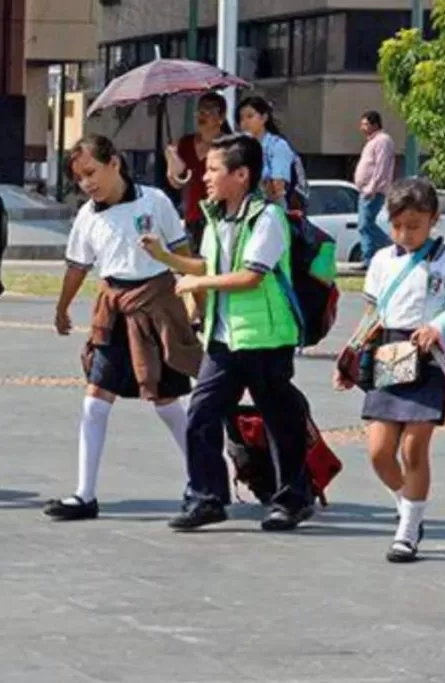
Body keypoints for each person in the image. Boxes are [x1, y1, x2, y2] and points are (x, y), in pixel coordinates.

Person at [141, 133, 314, 531]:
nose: (205, 176)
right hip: (223, 339)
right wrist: (167, 258)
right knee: (201, 414)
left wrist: (199, 286)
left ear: (241, 174)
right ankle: (207, 498)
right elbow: (209, 264)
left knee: (279, 421)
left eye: (214, 169)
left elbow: (252, 276)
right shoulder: (216, 217)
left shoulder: (267, 218)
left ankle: (292, 498)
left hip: (265, 337)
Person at [44, 134, 203, 521]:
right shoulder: (87, 216)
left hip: (156, 306)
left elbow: (184, 255)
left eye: (91, 172)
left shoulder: (155, 202)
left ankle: (201, 481)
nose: (87, 183)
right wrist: (62, 308)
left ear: (114, 163)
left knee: (166, 401)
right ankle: (85, 494)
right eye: (80, 178)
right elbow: (77, 267)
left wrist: (196, 300)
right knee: (95, 400)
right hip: (112, 310)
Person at [335, 178, 445, 563]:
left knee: (415, 448)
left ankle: (408, 531)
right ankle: (407, 503)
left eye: (414, 226)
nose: (405, 233)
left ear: (433, 219)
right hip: (390, 355)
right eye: (397, 226)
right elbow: (372, 314)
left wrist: (438, 327)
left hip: (430, 357)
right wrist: (350, 355)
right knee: (380, 453)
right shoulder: (382, 260)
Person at [165, 92, 233, 254]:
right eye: (200, 110)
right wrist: (171, 158)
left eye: (208, 111)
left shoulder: (229, 145)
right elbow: (175, 182)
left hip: (220, 215)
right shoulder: (186, 143)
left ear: (221, 116)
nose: (202, 115)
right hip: (192, 216)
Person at [235, 96, 307, 211]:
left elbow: (277, 189)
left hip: (272, 211)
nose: (245, 123)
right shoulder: (242, 148)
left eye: (250, 116)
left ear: (264, 118)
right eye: (241, 118)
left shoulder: (278, 146)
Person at [354, 110, 396, 268]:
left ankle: (390, 249)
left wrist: (372, 187)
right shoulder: (372, 141)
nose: (361, 128)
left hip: (373, 191)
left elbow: (381, 166)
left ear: (375, 124)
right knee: (364, 224)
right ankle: (369, 258)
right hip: (365, 190)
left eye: (365, 124)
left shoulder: (383, 141)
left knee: (365, 224)